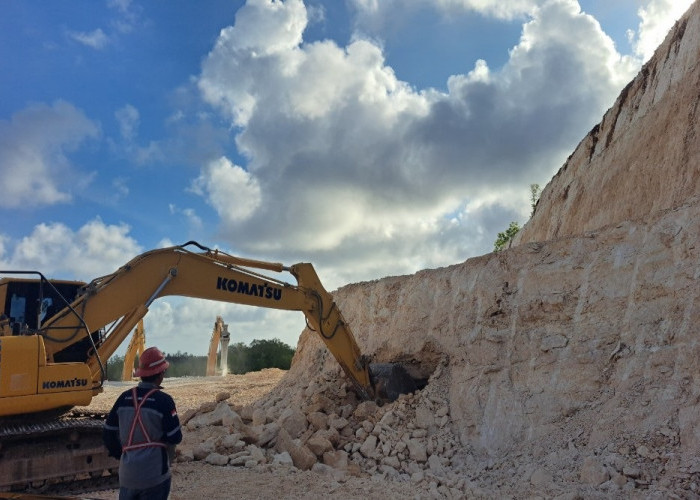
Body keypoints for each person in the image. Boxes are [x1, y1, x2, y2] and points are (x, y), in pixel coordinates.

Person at [103, 346, 182, 500]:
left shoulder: (123, 398)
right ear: (160, 374)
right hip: (154, 476)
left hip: (127, 476)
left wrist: (124, 454)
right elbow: (175, 437)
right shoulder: (164, 401)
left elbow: (107, 434)